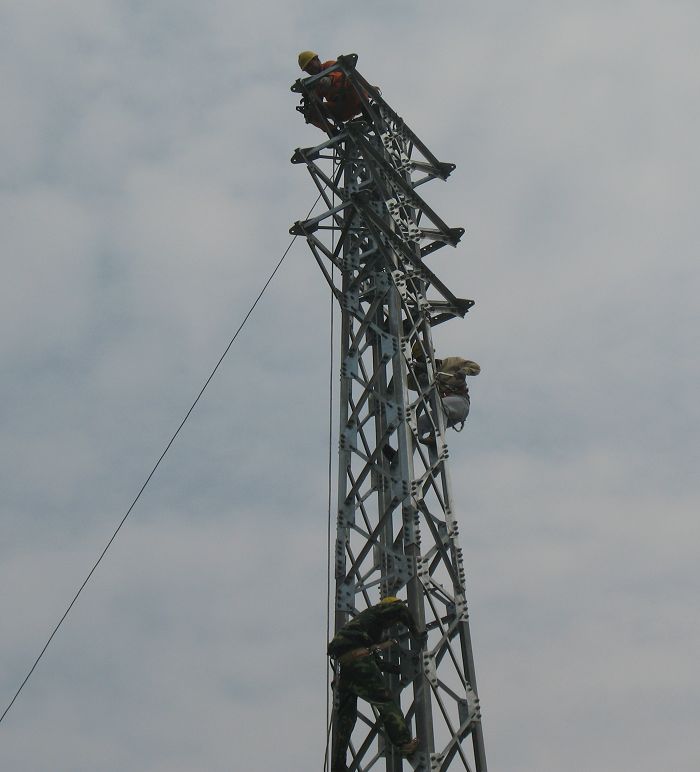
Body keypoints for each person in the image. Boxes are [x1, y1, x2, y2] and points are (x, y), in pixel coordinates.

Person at [327, 597, 423, 771]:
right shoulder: (379, 611)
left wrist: (399, 669)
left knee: (346, 719)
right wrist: (417, 633)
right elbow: (401, 609)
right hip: (358, 661)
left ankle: (338, 766)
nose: (393, 623)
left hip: (346, 667)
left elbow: (376, 662)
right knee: (384, 701)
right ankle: (404, 743)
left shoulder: (364, 627)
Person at [415, 354, 481, 445]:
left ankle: (435, 437)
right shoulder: (428, 378)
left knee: (441, 404)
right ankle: (400, 452)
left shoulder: (451, 362)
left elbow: (476, 367)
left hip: (460, 403)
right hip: (442, 412)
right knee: (417, 425)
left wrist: (464, 371)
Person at [297, 50, 364, 132]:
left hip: (355, 100)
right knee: (311, 112)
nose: (309, 69)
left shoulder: (329, 65)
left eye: (310, 65)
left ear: (317, 59)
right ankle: (333, 131)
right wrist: (309, 98)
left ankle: (367, 111)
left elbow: (338, 74)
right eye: (307, 69)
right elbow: (317, 102)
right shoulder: (316, 84)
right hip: (340, 109)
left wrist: (329, 79)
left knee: (351, 80)